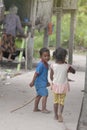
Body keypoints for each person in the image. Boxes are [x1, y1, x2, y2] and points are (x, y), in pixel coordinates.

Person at [50, 47, 76, 122]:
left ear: (55, 57)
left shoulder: (52, 66)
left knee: (55, 101)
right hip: (63, 87)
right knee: (61, 102)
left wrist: (54, 80)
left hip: (55, 86)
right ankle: (60, 113)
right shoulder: (67, 66)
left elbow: (51, 77)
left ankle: (55, 115)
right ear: (64, 57)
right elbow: (74, 71)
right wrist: (68, 68)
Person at [29, 47, 50, 113]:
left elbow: (44, 75)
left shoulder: (46, 64)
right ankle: (43, 109)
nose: (47, 57)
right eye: (45, 56)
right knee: (45, 94)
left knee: (39, 95)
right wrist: (32, 82)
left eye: (48, 55)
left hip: (42, 83)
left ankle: (35, 108)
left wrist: (47, 82)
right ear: (41, 56)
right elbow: (36, 74)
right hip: (39, 83)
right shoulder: (41, 65)